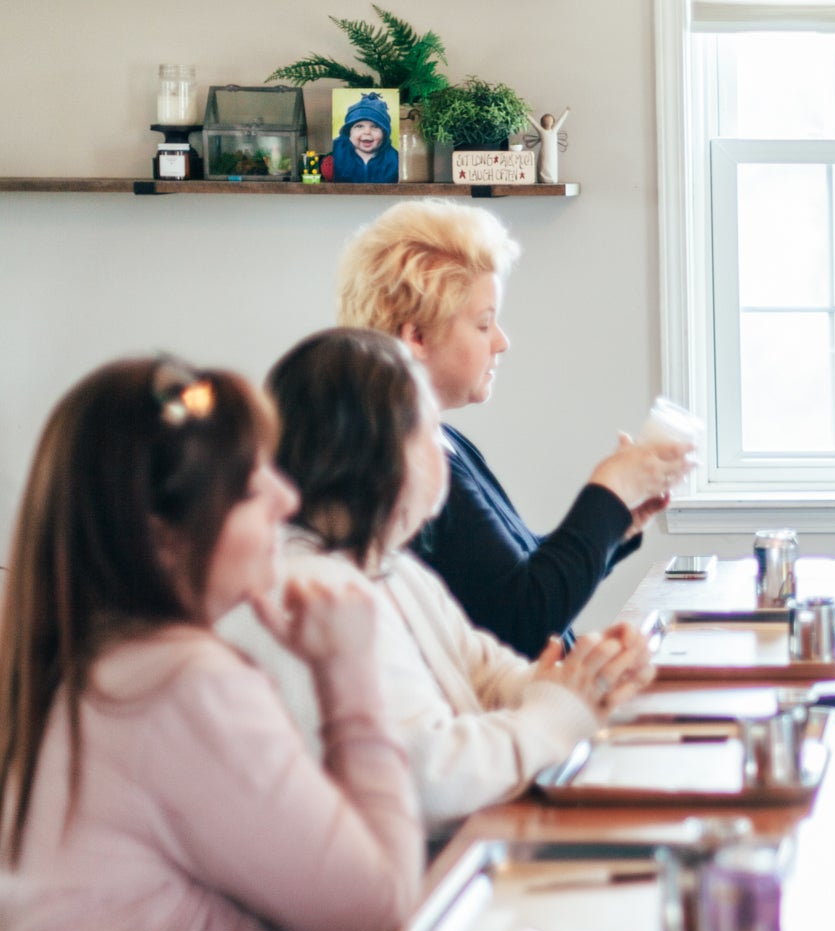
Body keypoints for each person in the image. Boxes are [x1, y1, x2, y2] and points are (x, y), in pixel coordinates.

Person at [0, 358, 422, 931]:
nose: (288, 497)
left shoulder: (76, 670)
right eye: (252, 483)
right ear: (162, 533)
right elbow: (383, 898)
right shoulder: (178, 689)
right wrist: (349, 673)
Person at [217, 329, 656, 837]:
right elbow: (431, 780)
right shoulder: (312, 592)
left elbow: (487, 674)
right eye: (429, 434)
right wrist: (559, 714)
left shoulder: (391, 567)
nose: (442, 452)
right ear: (381, 456)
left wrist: (585, 677)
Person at [337, 199, 689, 657]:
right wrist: (610, 491)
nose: (502, 341)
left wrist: (616, 524)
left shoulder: (443, 440)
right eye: (484, 324)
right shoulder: (402, 462)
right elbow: (522, 618)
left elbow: (514, 576)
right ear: (416, 337)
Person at [330, 91, 399, 184]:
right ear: (348, 132)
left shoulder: (394, 160)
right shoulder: (337, 151)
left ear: (385, 134)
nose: (367, 132)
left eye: (375, 126)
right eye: (359, 126)